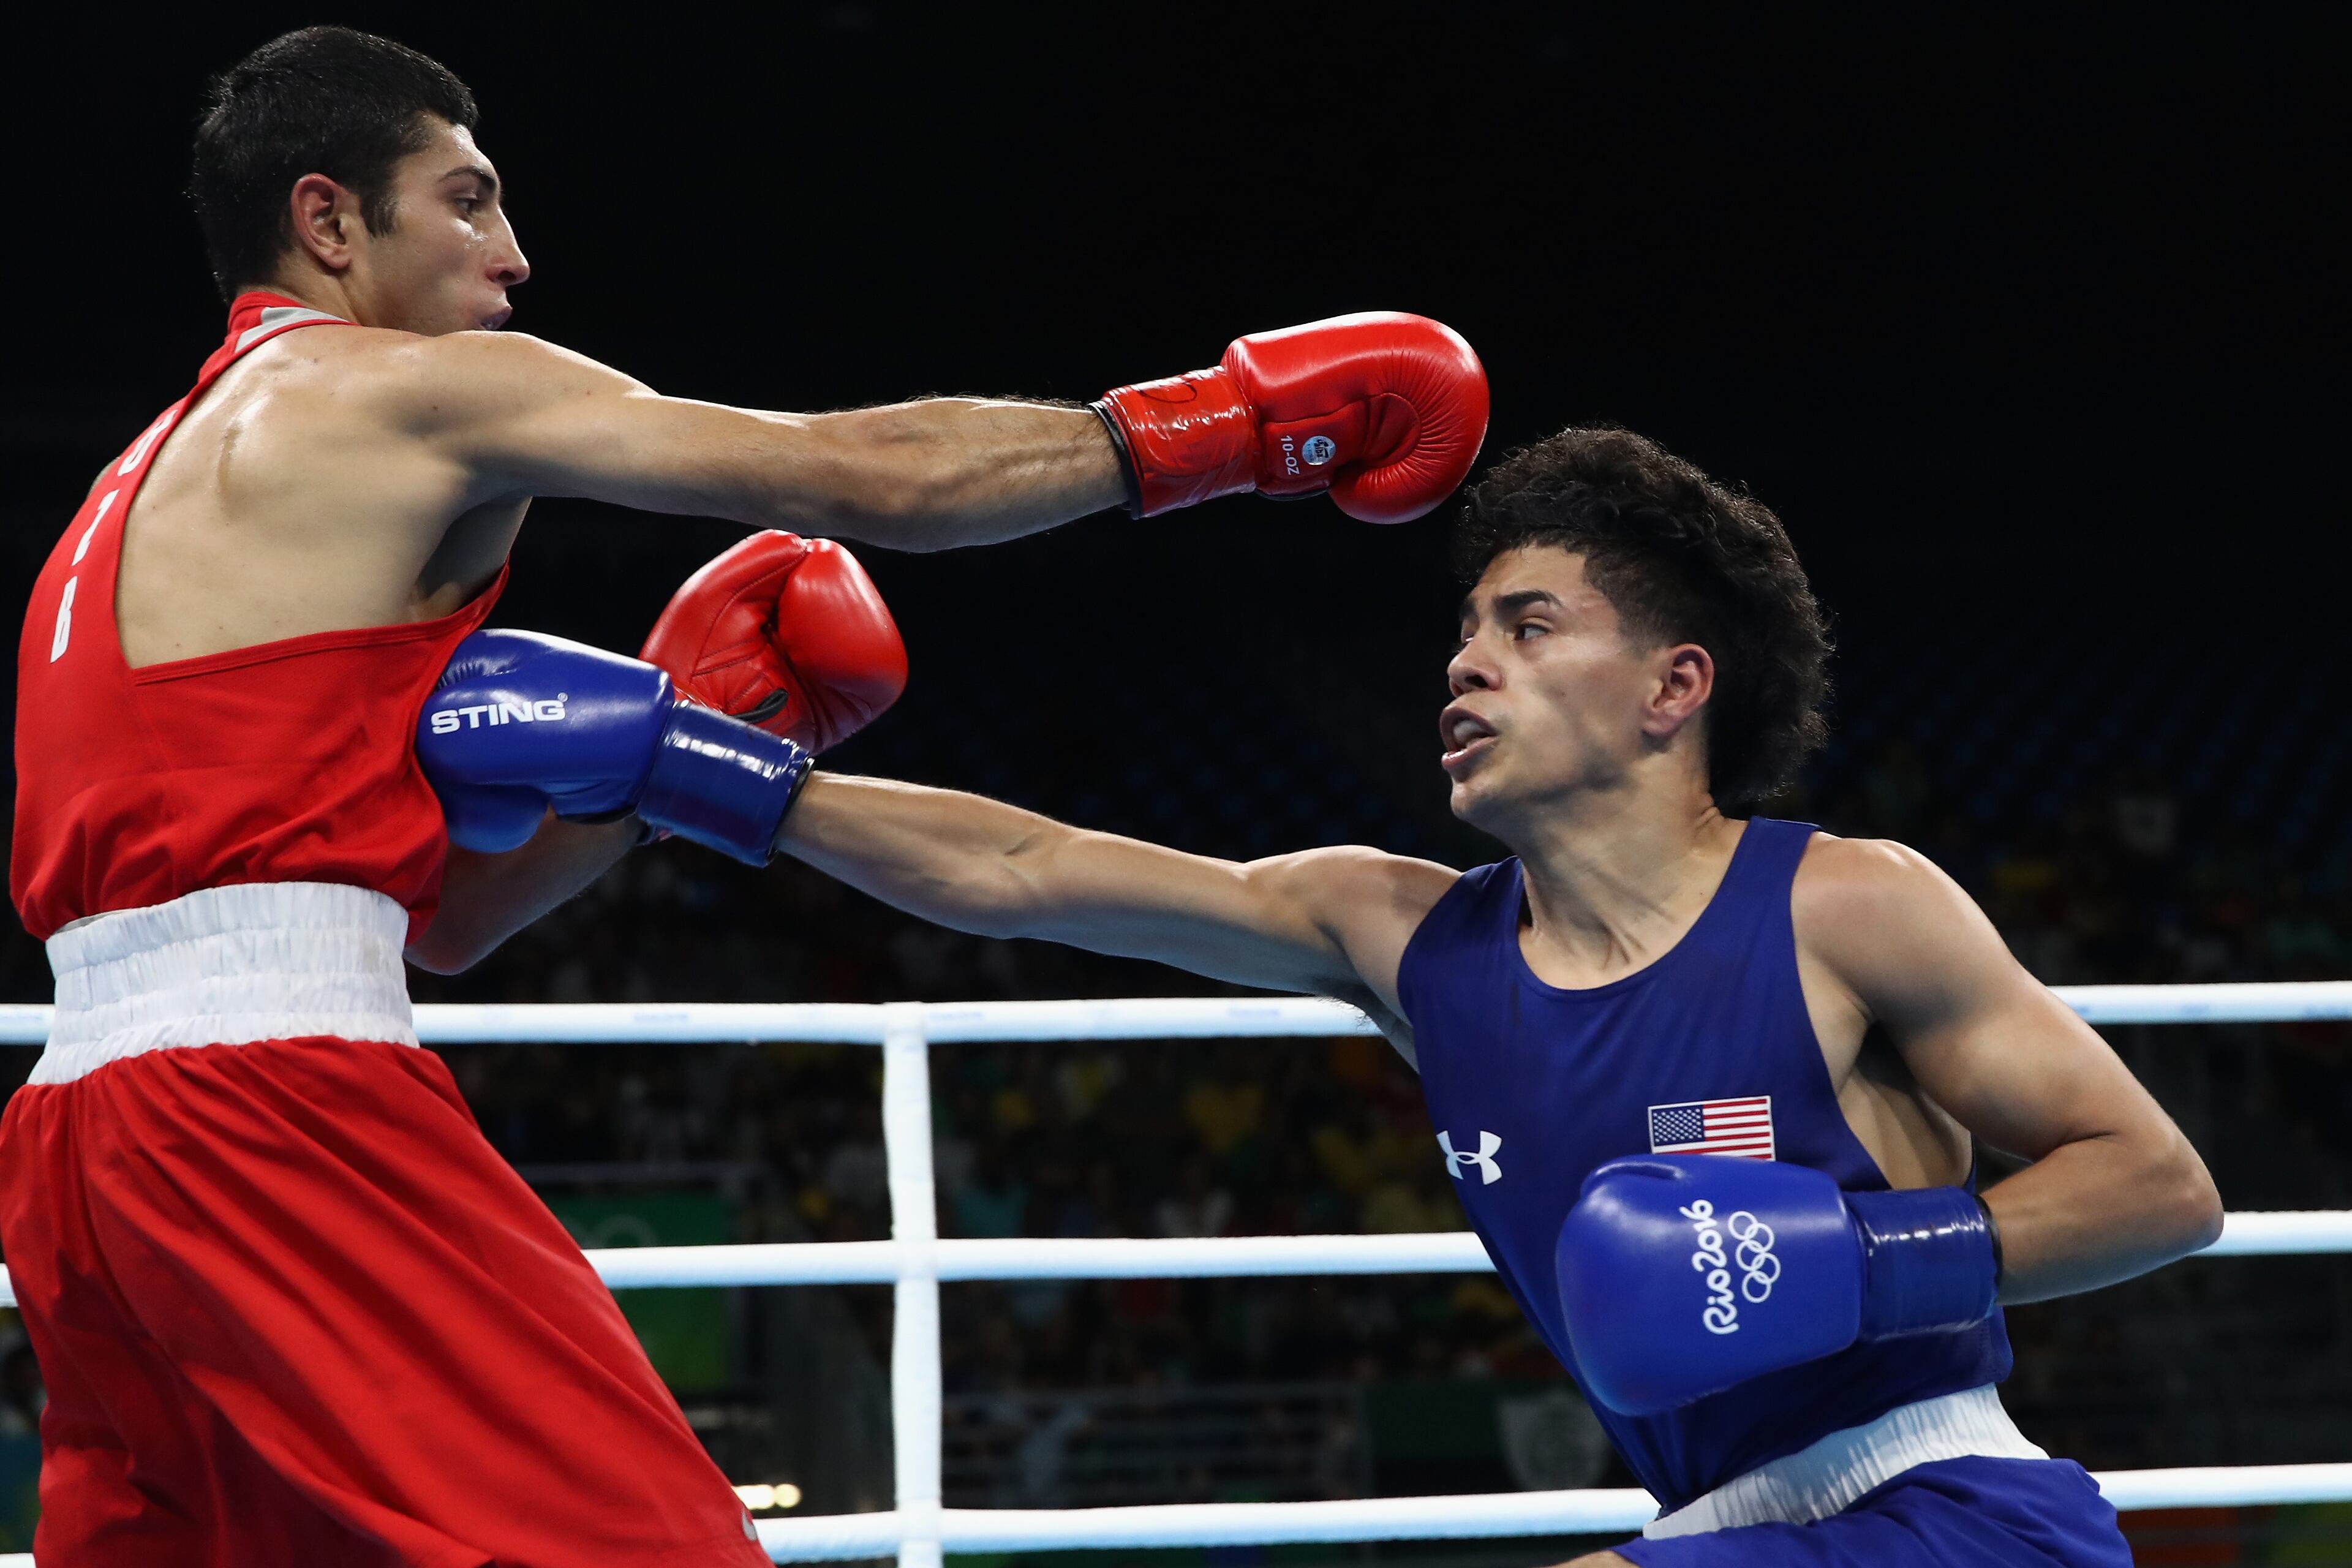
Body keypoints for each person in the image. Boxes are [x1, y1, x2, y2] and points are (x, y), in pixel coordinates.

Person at [1, 23, 1487, 1568]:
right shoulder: (397, 395)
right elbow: (872, 477)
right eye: (464, 199)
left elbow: (440, 926)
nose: (512, 253)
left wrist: (670, 758)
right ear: (327, 221)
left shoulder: (130, 497)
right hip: (271, 1106)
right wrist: (1214, 431)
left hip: (80, 1141)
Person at [446, 425, 2223, 1564]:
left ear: (1676, 686)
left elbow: (2161, 1187)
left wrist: (1850, 1263)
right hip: (1707, 1524)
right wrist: (692, 763)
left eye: (1530, 625)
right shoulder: (1401, 934)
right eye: (1465, 627)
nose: (1466, 658)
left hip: (1945, 1504)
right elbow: (1026, 872)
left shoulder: (1843, 904)